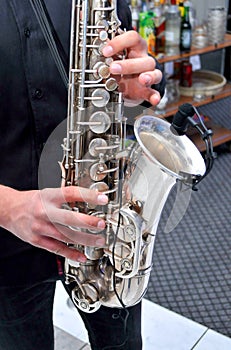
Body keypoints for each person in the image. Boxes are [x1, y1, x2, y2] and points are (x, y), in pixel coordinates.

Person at [0, 1, 165, 349]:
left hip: (104, 230)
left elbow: (122, 65)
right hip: (7, 247)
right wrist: (6, 206)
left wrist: (136, 84)